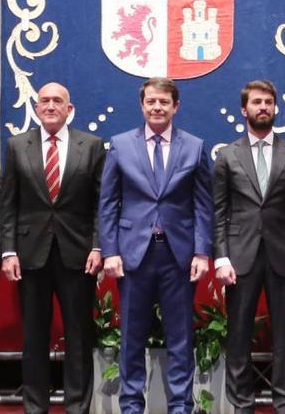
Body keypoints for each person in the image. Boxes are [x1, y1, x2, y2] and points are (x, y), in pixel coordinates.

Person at [99, 77, 213, 414]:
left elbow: (203, 204)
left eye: (164, 102)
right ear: (142, 105)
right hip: (133, 255)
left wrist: (202, 251)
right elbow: (108, 203)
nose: (157, 107)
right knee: (132, 338)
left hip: (177, 255)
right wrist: (110, 251)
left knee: (180, 338)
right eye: (151, 101)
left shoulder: (193, 146)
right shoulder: (120, 144)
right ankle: (131, 406)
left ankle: (180, 406)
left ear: (176, 106)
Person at [0, 82, 106, 414]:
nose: (50, 106)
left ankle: (77, 407)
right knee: (34, 339)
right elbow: (8, 204)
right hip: (31, 256)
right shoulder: (18, 145)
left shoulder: (91, 145)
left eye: (57, 101)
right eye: (44, 100)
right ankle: (35, 407)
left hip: (78, 256)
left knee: (79, 337)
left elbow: (101, 203)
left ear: (69, 108)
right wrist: (8, 251)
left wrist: (98, 246)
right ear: (36, 107)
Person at [213, 79, 285, 414]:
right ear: (244, 110)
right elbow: (218, 212)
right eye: (257, 102)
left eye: (268, 103)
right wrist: (221, 257)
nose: (263, 108)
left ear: (275, 108)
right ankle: (242, 403)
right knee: (238, 334)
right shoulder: (227, 156)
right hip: (239, 258)